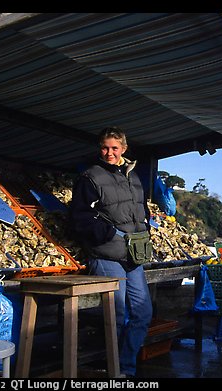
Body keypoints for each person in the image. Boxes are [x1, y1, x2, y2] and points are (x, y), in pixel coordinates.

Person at [70, 126, 153, 377]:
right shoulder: (90, 176)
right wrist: (107, 234)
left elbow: (141, 209)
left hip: (134, 256)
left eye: (114, 148)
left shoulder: (134, 176)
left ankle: (124, 367)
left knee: (143, 312)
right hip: (106, 254)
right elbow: (79, 218)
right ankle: (113, 370)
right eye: (105, 147)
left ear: (124, 149)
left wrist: (147, 229)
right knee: (115, 316)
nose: (109, 153)